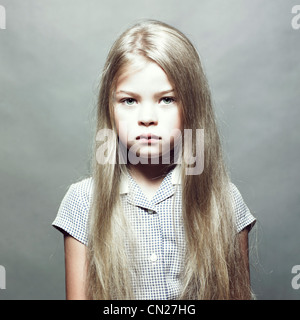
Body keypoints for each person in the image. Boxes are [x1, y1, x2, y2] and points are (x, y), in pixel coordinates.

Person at [52, 19, 256, 300]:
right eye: (129, 101)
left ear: (192, 107)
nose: (147, 118)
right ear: (109, 109)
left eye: (167, 99)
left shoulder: (224, 201)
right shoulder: (84, 201)